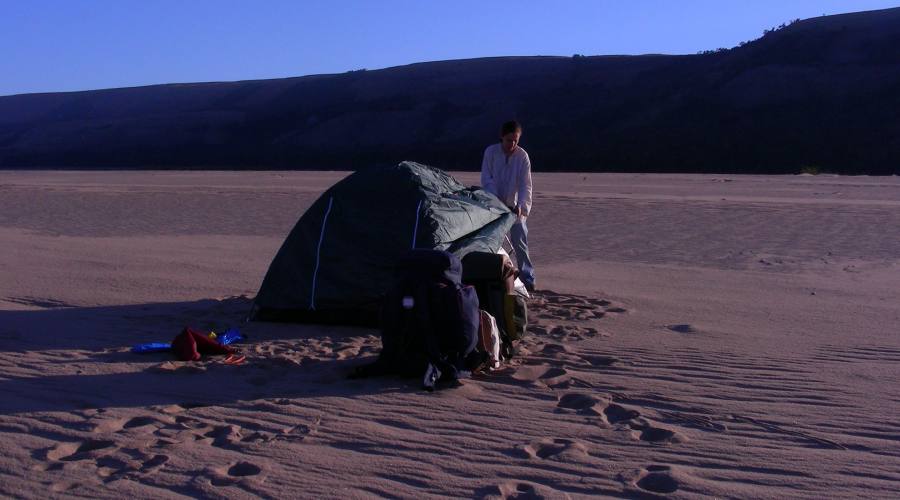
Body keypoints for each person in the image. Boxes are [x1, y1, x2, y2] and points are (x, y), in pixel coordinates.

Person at [481, 120, 535, 292]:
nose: (512, 144)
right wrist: (496, 200)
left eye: (515, 140)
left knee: (520, 242)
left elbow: (525, 185)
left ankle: (527, 277)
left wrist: (521, 206)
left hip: (514, 208)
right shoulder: (491, 152)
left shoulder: (522, 156)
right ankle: (492, 274)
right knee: (490, 241)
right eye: (509, 140)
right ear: (502, 137)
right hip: (493, 206)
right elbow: (486, 179)